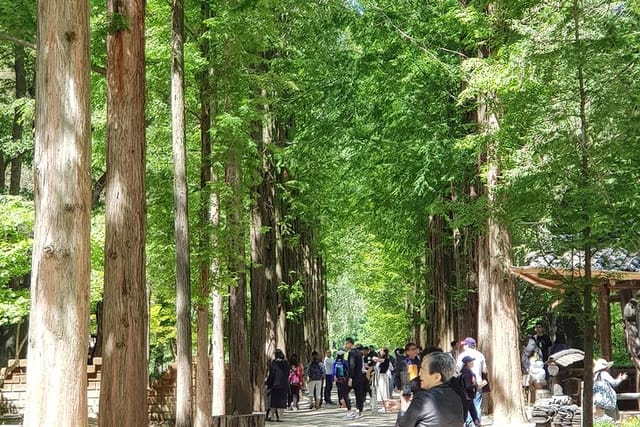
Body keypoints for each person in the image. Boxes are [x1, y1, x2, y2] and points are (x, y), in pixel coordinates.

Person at [394, 351, 464, 426]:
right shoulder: (457, 397)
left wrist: (404, 407)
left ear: (437, 377)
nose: (420, 374)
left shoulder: (423, 399)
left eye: (423, 370)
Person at [456, 337, 488, 427]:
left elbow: (457, 369)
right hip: (478, 384)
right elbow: (485, 370)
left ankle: (470, 424)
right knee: (476, 405)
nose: (463, 347)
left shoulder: (462, 355)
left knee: (468, 406)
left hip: (466, 387)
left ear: (467, 345)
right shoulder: (480, 355)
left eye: (464, 345)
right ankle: (476, 424)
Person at [593, 358, 628, 422]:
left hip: (598, 401)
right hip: (607, 400)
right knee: (611, 419)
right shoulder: (604, 373)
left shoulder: (595, 376)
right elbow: (614, 383)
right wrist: (621, 378)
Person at [344, 337, 366, 420]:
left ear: (350, 343)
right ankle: (360, 412)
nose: (345, 345)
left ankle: (350, 411)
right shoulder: (359, 352)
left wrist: (350, 377)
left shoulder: (352, 353)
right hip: (360, 376)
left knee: (344, 392)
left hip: (354, 377)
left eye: (346, 343)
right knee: (359, 395)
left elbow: (352, 366)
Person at [265, 349, 289, 422]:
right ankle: (281, 417)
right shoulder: (286, 363)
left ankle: (273, 417)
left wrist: (268, 382)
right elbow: (288, 374)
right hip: (284, 385)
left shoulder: (274, 363)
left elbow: (272, 374)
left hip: (275, 385)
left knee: (274, 402)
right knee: (282, 401)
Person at [460, 356, 480, 427]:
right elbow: (467, 386)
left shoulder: (466, 371)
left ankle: (477, 424)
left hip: (468, 397)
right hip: (466, 397)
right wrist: (476, 385)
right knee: (465, 416)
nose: (472, 363)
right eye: (471, 361)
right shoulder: (467, 372)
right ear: (467, 363)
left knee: (473, 413)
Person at [374, 347, 391, 413]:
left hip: (383, 376)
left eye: (381, 351)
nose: (380, 352)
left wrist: (375, 358)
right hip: (380, 376)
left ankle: (386, 407)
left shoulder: (386, 359)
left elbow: (377, 360)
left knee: (384, 391)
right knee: (381, 390)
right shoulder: (382, 359)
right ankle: (384, 406)